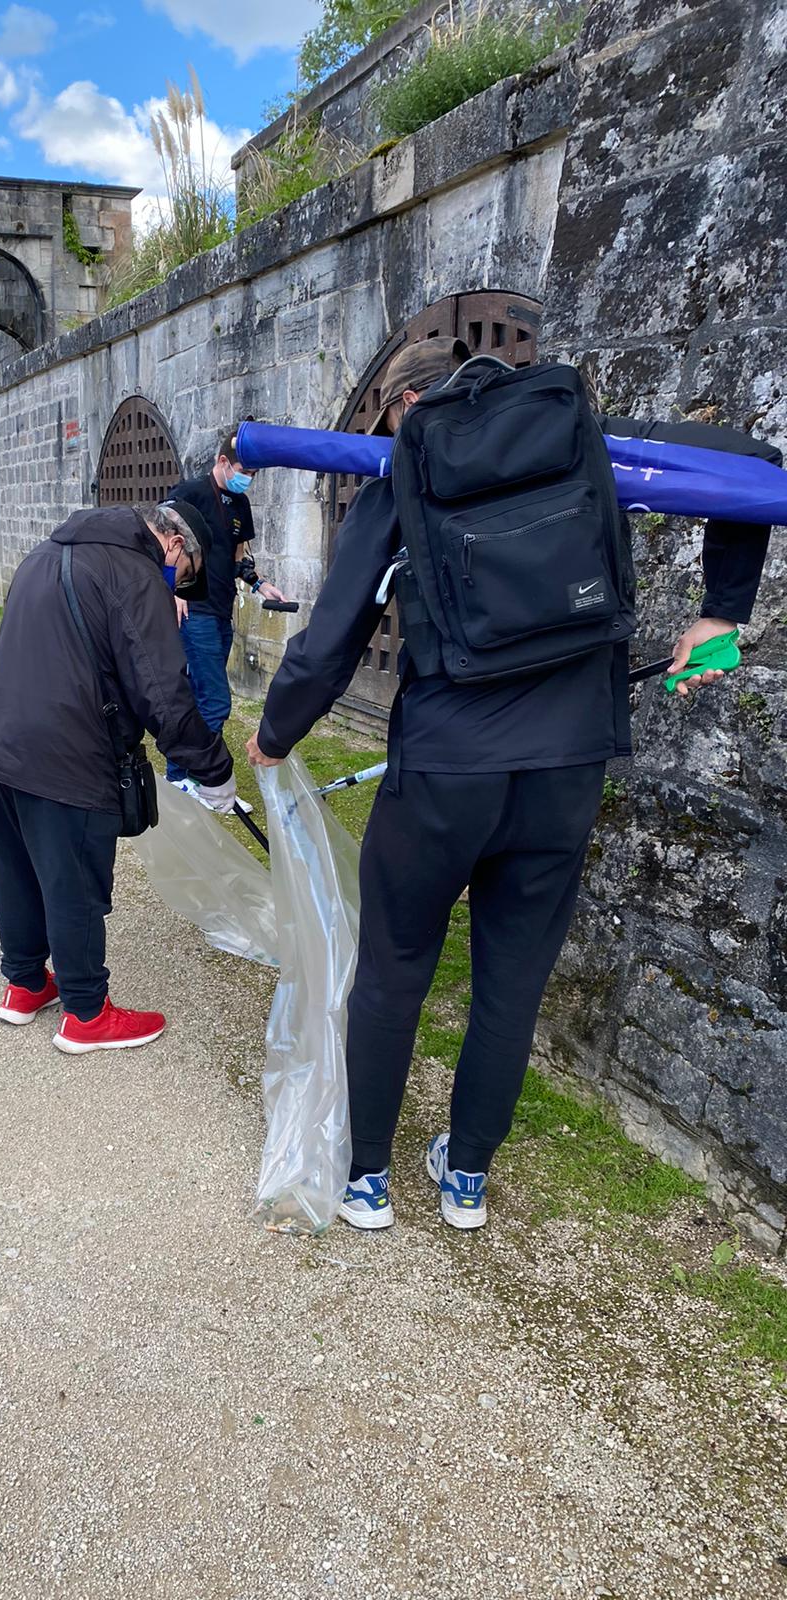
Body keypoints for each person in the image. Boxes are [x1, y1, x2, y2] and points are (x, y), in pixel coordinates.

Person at [247, 337, 777, 1232]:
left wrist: (275, 734)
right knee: (510, 978)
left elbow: (331, 637)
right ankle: (466, 1181)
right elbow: (753, 465)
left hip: (445, 773)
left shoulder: (402, 479)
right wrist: (720, 610)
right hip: (565, 769)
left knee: (394, 966)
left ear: (405, 410)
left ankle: (368, 1177)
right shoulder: (587, 446)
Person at [0, 500, 237, 1054]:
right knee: (74, 882)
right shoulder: (135, 574)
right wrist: (213, 769)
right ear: (176, 546)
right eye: (184, 580)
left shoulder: (47, 551)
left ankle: (26, 984)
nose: (177, 591)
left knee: (17, 870)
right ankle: (86, 1013)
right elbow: (162, 692)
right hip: (66, 752)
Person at [165, 427, 292, 781]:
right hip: (195, 609)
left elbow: (238, 558)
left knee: (196, 695)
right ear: (223, 462)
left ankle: (180, 775)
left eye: (252, 474)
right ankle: (202, 777)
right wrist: (171, 589)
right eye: (244, 472)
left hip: (222, 610)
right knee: (216, 700)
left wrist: (261, 584)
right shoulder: (189, 494)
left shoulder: (240, 504)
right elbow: (163, 544)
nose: (247, 479)